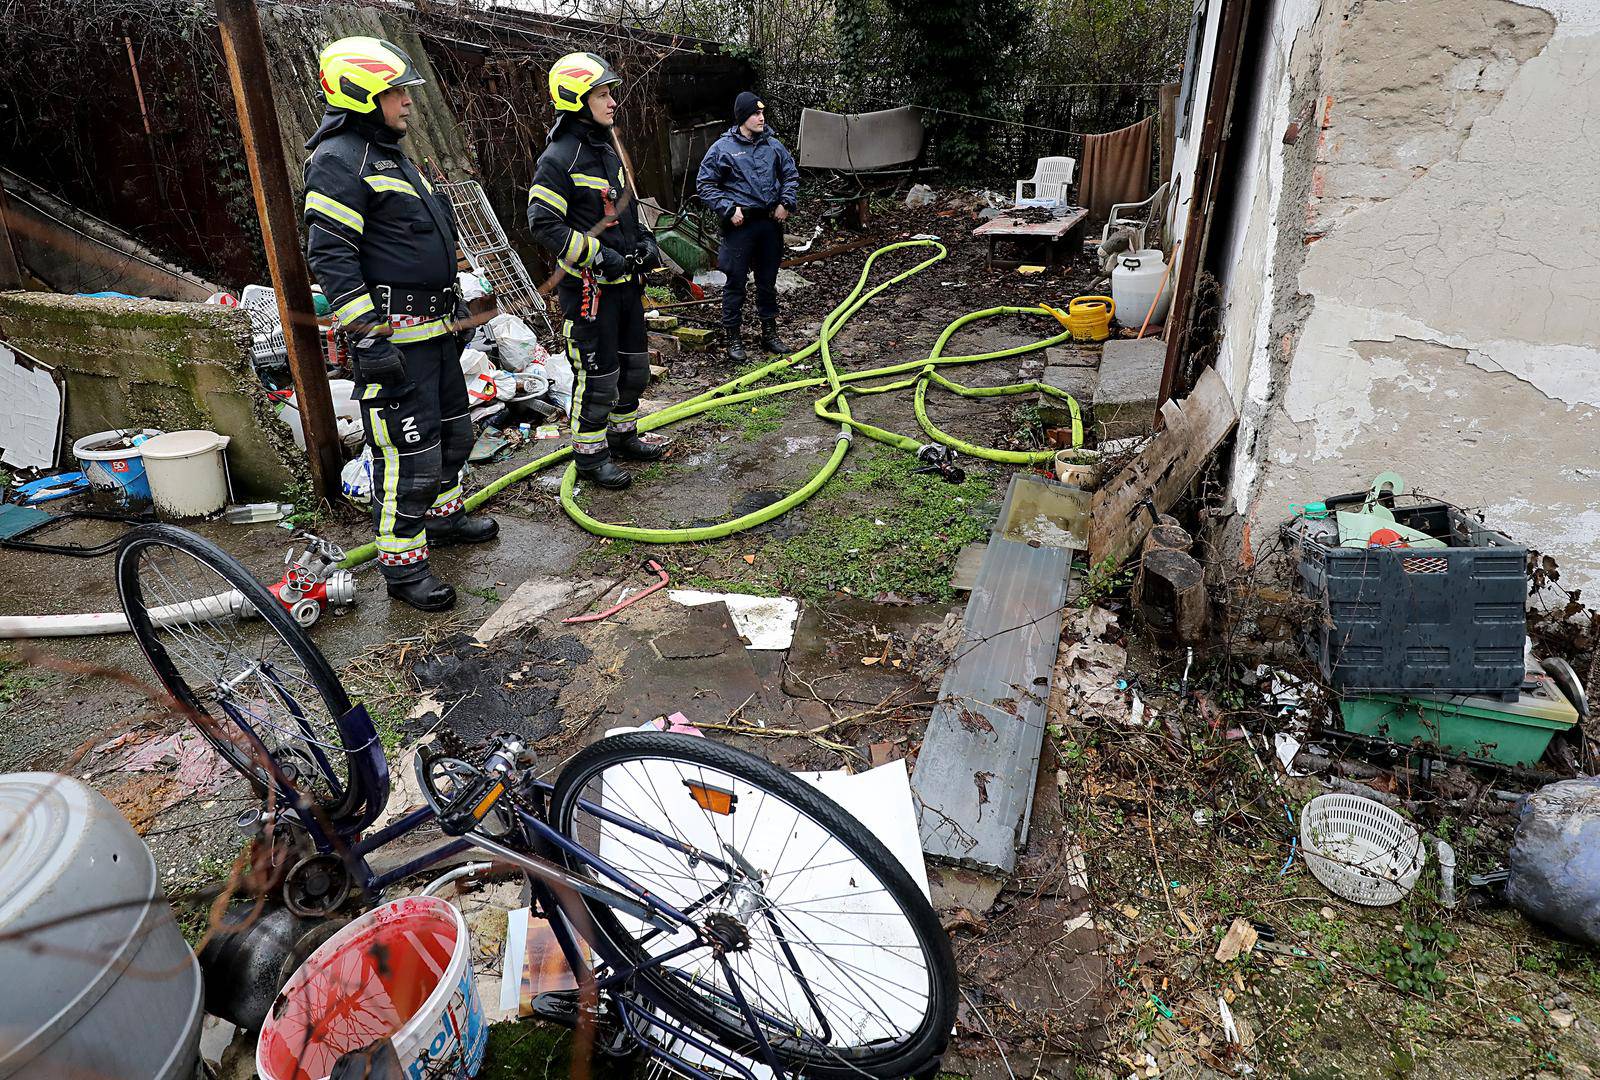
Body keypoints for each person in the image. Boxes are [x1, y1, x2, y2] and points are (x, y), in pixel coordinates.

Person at [303, 37, 498, 613]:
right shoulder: (339, 160)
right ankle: (403, 568)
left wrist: (457, 302)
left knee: (456, 437)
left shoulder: (392, 156)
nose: (407, 101)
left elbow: (428, 238)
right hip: (395, 346)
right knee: (407, 462)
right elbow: (331, 256)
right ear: (363, 95)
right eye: (395, 91)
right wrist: (367, 335)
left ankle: (441, 519)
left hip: (435, 336)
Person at [526, 52, 664, 490]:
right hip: (589, 293)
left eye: (609, 93)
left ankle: (623, 436)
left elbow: (624, 207)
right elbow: (542, 223)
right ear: (577, 100)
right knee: (599, 377)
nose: (612, 102)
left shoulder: (606, 149)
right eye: (602, 94)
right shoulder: (559, 157)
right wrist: (598, 254)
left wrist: (643, 241)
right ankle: (590, 457)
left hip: (626, 288)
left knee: (634, 370)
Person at [696, 92, 800, 363]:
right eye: (755, 114)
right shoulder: (722, 148)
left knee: (767, 283)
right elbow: (705, 184)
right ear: (743, 117)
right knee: (736, 284)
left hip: (769, 224)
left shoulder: (773, 145)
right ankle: (734, 338)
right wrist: (728, 209)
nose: (761, 118)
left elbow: (790, 174)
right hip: (740, 227)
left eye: (762, 113)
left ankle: (770, 334)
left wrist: (786, 202)